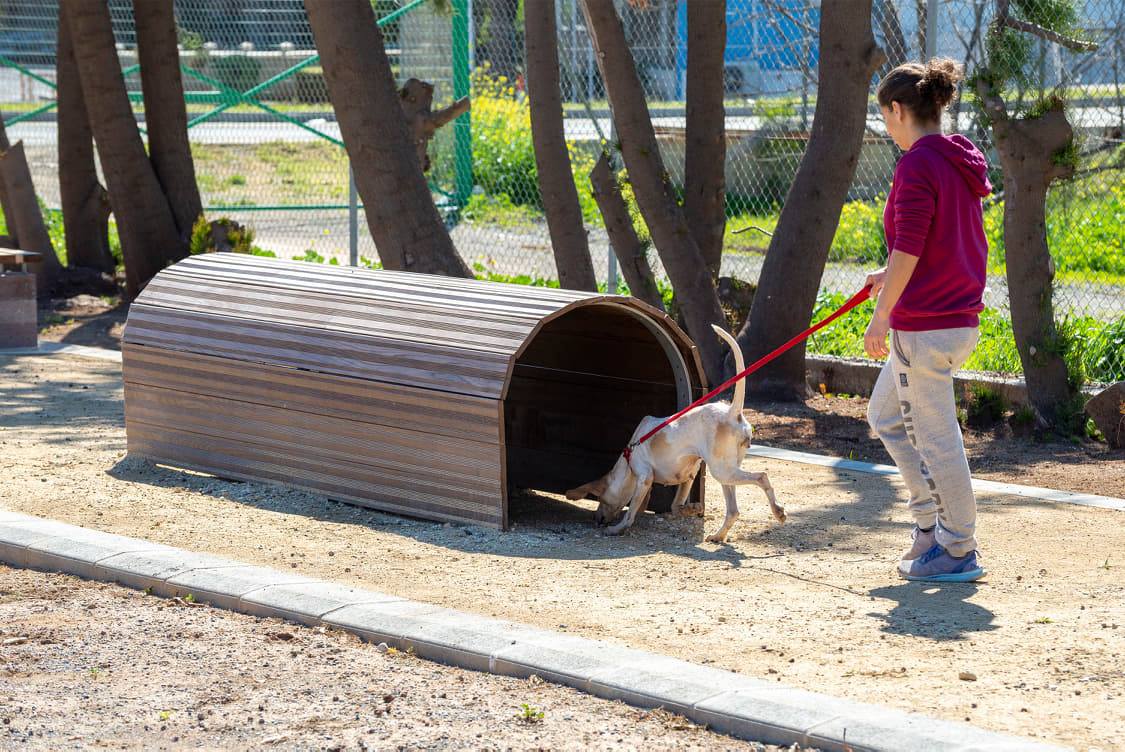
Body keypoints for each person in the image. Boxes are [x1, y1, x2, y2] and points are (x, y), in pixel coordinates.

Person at [863, 58, 991, 583]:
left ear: (898, 110)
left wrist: (881, 316)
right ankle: (929, 527)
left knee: (937, 440)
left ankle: (958, 547)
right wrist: (884, 273)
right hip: (954, 319)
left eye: (885, 118)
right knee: (885, 416)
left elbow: (912, 247)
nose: (886, 129)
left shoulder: (917, 163)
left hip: (925, 326)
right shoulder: (958, 157)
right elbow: (933, 242)